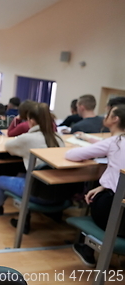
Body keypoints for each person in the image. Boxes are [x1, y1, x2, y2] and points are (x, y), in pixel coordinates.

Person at [0, 103, 65, 231]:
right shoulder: (58, 138)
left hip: (38, 193)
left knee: (1, 180)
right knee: (21, 175)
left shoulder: (28, 138)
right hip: (59, 194)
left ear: (30, 120)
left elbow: (8, 147)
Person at [65, 104, 125, 267]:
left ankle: (87, 248)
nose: (104, 116)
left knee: (93, 196)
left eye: (108, 113)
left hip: (115, 216)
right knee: (100, 189)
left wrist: (103, 186)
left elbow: (71, 155)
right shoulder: (116, 142)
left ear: (115, 119)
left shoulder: (115, 142)